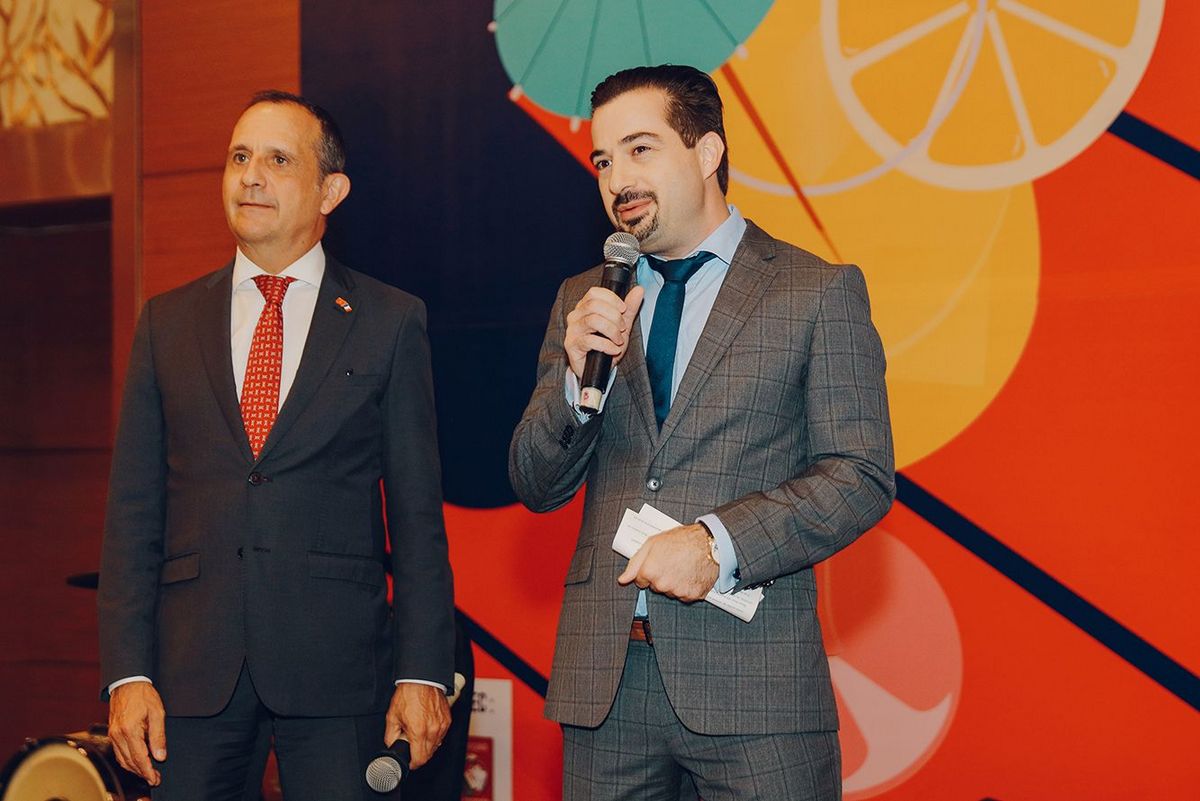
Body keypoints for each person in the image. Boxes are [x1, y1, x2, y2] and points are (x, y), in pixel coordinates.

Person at [508, 65, 895, 800]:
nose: (617, 178)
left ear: (708, 150)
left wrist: (719, 545)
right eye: (603, 160)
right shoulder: (585, 299)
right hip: (605, 685)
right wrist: (573, 383)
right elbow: (535, 482)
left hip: (755, 683)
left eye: (640, 149)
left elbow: (860, 474)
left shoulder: (814, 291)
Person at [98, 90, 455, 799]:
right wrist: (126, 673)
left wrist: (422, 672)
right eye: (239, 157)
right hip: (189, 675)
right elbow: (133, 512)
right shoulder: (167, 323)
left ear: (331, 191)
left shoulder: (388, 321)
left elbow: (417, 517)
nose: (251, 176)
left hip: (337, 669)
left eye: (278, 160)